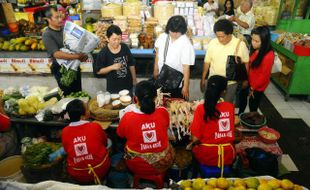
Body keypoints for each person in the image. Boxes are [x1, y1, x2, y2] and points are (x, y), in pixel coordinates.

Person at [117, 81, 175, 176]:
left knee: (123, 145)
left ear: (135, 98)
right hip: (162, 162)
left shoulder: (127, 117)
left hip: (136, 165)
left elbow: (120, 134)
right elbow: (165, 127)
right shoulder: (163, 112)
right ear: (156, 97)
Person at [190, 75, 235, 177]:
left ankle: (195, 174)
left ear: (207, 88)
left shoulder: (201, 109)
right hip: (227, 155)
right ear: (224, 91)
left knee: (193, 150)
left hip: (207, 156)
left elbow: (195, 139)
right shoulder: (230, 107)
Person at [61, 99, 111, 184]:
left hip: (77, 173)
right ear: (82, 116)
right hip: (100, 169)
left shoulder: (64, 132)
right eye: (87, 109)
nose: (89, 110)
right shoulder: (95, 126)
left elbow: (66, 150)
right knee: (110, 142)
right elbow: (105, 143)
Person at [200, 19, 249, 103]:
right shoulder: (213, 43)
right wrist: (203, 78)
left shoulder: (240, 45)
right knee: (210, 104)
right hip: (213, 81)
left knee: (226, 105)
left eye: (223, 36)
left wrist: (245, 80)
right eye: (218, 36)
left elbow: (246, 63)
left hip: (230, 84)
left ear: (230, 34)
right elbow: (207, 61)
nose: (220, 39)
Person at [42, 6, 88, 96]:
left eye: (60, 16)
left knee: (78, 92)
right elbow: (57, 54)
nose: (60, 19)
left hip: (74, 66)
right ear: (48, 19)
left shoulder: (65, 29)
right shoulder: (47, 35)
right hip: (61, 69)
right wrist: (77, 57)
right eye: (56, 17)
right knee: (68, 94)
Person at [153, 15, 195, 99]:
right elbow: (157, 54)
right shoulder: (162, 37)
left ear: (182, 30)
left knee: (174, 102)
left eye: (177, 32)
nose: (175, 34)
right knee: (160, 101)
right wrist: (155, 70)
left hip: (176, 80)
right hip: (161, 76)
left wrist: (186, 86)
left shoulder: (186, 43)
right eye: (172, 31)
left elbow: (186, 67)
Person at [238, 26, 274, 114]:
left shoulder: (268, 56)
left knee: (253, 105)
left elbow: (264, 76)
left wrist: (252, 88)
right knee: (242, 98)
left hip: (257, 86)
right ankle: (240, 115)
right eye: (252, 39)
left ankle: (253, 122)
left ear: (264, 41)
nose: (253, 43)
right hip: (249, 80)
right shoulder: (256, 49)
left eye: (256, 41)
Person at [94, 25, 137, 94]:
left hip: (128, 86)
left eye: (119, 39)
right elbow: (98, 71)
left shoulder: (124, 47)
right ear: (107, 39)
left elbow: (131, 64)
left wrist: (134, 80)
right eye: (114, 39)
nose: (117, 42)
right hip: (113, 89)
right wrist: (112, 67)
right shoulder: (103, 53)